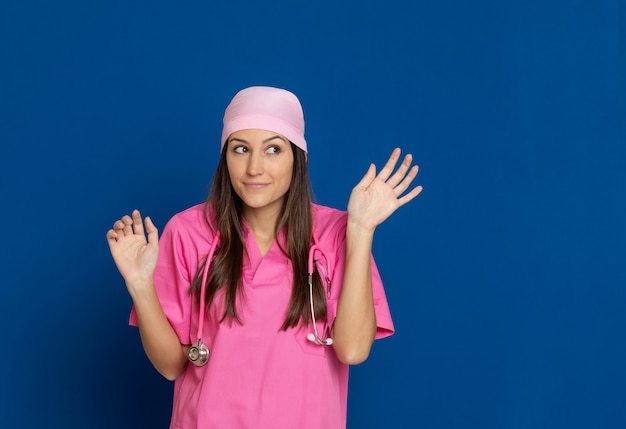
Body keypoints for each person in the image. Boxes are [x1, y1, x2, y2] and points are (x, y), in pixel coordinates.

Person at [106, 86, 422, 429]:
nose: (254, 167)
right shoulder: (187, 231)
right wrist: (139, 284)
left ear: (298, 158)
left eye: (273, 149)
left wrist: (360, 229)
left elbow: (353, 351)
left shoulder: (335, 233)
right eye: (241, 149)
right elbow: (171, 366)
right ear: (225, 157)